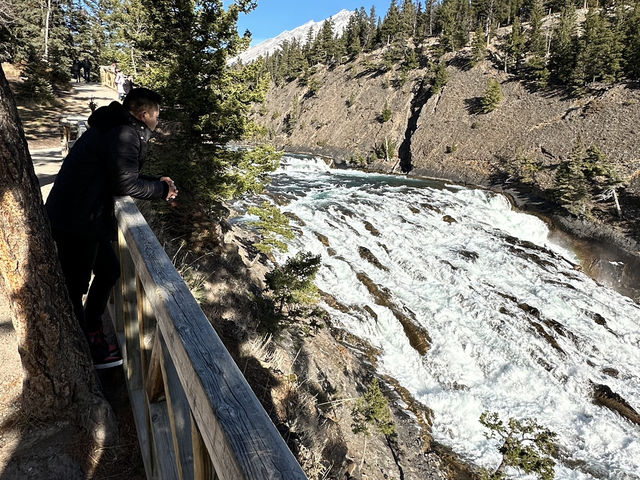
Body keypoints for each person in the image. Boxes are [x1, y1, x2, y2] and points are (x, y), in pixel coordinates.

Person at [45, 88, 178, 369]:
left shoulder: (115, 126)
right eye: (156, 116)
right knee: (75, 286)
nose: (157, 121)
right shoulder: (126, 134)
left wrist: (158, 182)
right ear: (144, 114)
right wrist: (162, 190)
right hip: (78, 219)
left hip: (82, 213)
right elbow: (126, 185)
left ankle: (92, 328)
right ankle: (82, 353)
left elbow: (119, 171)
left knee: (109, 271)